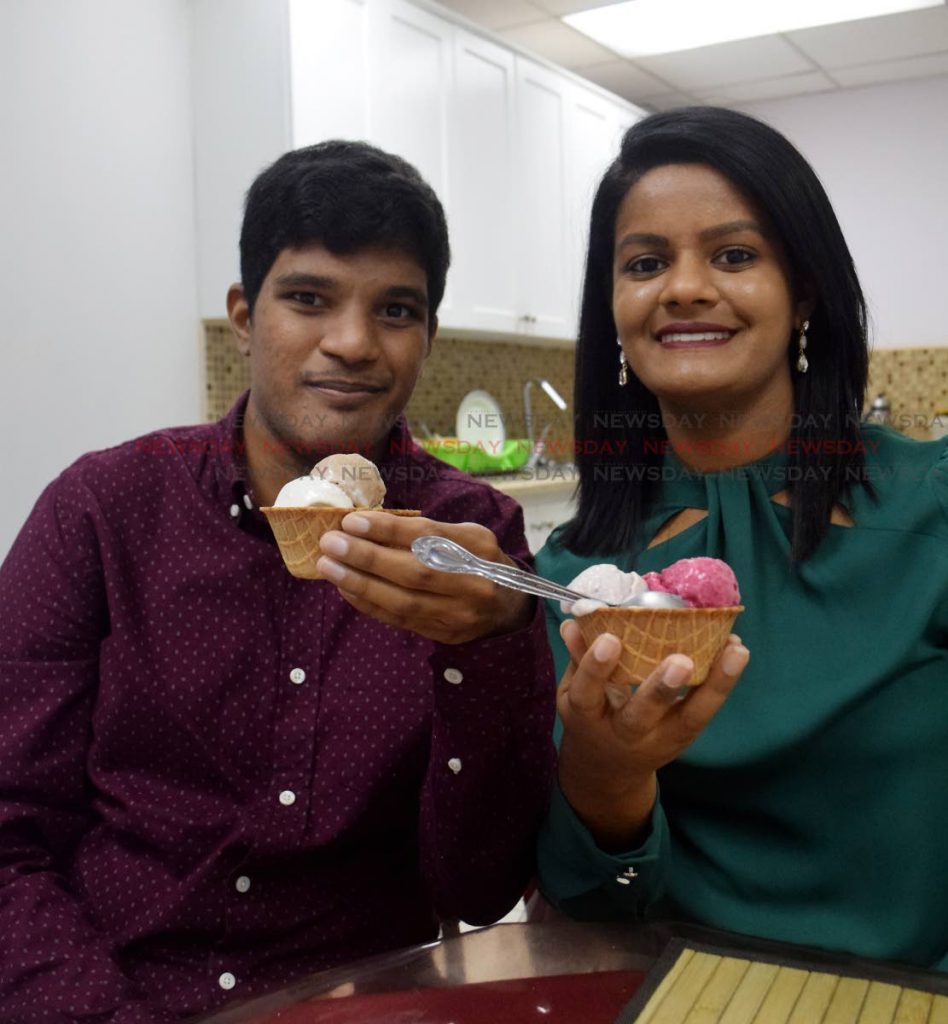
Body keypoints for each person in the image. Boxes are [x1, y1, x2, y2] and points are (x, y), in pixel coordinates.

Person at [0, 141, 556, 1023]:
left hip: (368, 1002)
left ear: (427, 338)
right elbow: (9, 834)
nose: (352, 343)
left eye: (396, 309)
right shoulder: (101, 512)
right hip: (114, 990)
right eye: (307, 298)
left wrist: (484, 650)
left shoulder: (471, 542)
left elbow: (483, 887)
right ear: (243, 317)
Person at [534, 106, 948, 970]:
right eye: (646, 263)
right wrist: (606, 782)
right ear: (613, 309)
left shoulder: (932, 510)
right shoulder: (575, 579)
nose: (683, 287)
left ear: (804, 290)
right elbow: (589, 907)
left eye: (733, 254)